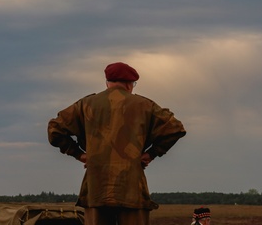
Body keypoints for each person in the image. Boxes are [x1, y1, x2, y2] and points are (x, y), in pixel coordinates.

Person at [47, 62, 186, 225]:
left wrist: (79, 154)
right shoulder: (145, 105)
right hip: (131, 189)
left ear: (107, 82)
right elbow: (175, 128)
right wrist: (152, 153)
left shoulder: (86, 105)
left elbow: (55, 129)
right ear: (129, 84)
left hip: (96, 188)